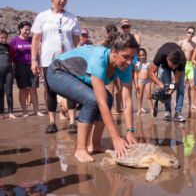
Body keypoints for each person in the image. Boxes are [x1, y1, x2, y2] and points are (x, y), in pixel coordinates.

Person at [46, 33, 138, 162]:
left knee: (109, 98)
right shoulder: (99, 58)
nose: (129, 62)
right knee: (93, 99)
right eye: (126, 57)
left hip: (78, 76)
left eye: (133, 58)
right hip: (57, 72)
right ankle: (81, 149)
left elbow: (127, 100)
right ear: (114, 52)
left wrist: (130, 130)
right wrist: (115, 137)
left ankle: (95, 144)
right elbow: (101, 103)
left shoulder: (126, 66)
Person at [31, 0, 81, 134]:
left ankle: (72, 122)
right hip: (48, 60)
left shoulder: (72, 18)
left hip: (68, 59)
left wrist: (79, 59)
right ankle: (52, 122)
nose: (62, 1)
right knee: (50, 90)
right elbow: (35, 40)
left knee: (71, 90)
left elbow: (76, 41)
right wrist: (34, 60)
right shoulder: (42, 16)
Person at [10, 21, 44, 117]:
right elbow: (11, 57)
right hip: (20, 66)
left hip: (32, 66)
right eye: (26, 30)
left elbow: (37, 53)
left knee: (34, 89)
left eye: (29, 30)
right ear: (20, 29)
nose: (28, 32)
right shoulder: (14, 41)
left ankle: (36, 110)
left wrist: (39, 65)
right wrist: (12, 70)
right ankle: (25, 111)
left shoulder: (32, 40)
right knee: (23, 89)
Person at [148, 42, 186, 122]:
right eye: (172, 66)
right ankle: (168, 112)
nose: (174, 68)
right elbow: (150, 73)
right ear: (167, 58)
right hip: (164, 66)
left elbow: (176, 81)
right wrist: (161, 85)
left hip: (178, 66)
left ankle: (178, 113)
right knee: (165, 86)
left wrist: (168, 94)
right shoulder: (160, 54)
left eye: (175, 66)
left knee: (180, 88)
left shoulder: (182, 60)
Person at [120, 19, 145, 112]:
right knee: (127, 86)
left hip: (135, 63)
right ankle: (126, 106)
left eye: (127, 26)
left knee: (138, 86)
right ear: (121, 28)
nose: (126, 29)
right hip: (125, 63)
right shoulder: (120, 37)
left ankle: (139, 106)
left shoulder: (136, 36)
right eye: (124, 27)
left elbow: (137, 46)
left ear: (130, 27)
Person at [98, 24, 123, 114]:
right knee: (110, 88)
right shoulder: (105, 42)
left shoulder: (118, 41)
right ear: (107, 33)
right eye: (110, 32)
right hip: (108, 66)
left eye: (114, 32)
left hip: (118, 67)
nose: (112, 34)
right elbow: (96, 46)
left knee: (120, 88)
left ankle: (119, 106)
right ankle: (111, 108)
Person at [178, 27, 196, 110]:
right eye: (189, 32)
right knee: (183, 85)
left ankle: (192, 103)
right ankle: (178, 102)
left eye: (192, 33)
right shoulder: (181, 43)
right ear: (186, 33)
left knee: (192, 85)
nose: (191, 34)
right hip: (183, 64)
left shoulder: (194, 45)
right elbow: (175, 53)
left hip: (190, 65)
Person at [0, 29, 15, 119]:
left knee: (9, 92)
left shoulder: (9, 47)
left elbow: (13, 60)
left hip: (9, 72)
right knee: (0, 92)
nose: (4, 39)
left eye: (5, 38)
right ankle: (1, 113)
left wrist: (14, 71)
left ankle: (10, 112)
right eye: (2, 38)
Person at [134, 48, 153, 115]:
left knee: (149, 96)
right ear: (138, 56)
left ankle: (152, 110)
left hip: (147, 81)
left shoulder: (148, 64)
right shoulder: (137, 64)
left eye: (143, 55)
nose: (142, 57)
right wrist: (136, 84)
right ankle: (139, 110)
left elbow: (151, 73)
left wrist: (153, 82)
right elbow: (135, 74)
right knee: (140, 96)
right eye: (140, 55)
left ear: (145, 55)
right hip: (140, 81)